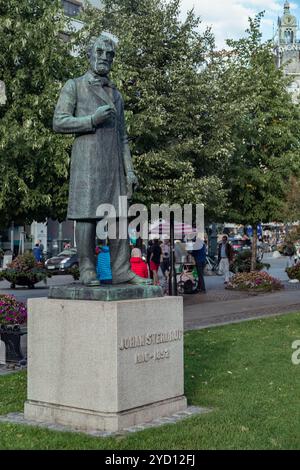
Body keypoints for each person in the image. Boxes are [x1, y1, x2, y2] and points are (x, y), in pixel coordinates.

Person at [53, 33, 151, 287]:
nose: (104, 58)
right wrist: (91, 120)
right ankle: (87, 269)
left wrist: (130, 171)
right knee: (86, 215)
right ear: (89, 55)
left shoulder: (116, 94)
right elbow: (59, 122)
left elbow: (123, 138)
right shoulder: (74, 85)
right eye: (99, 53)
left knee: (118, 216)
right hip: (87, 161)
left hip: (114, 163)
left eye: (109, 55)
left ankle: (121, 269)